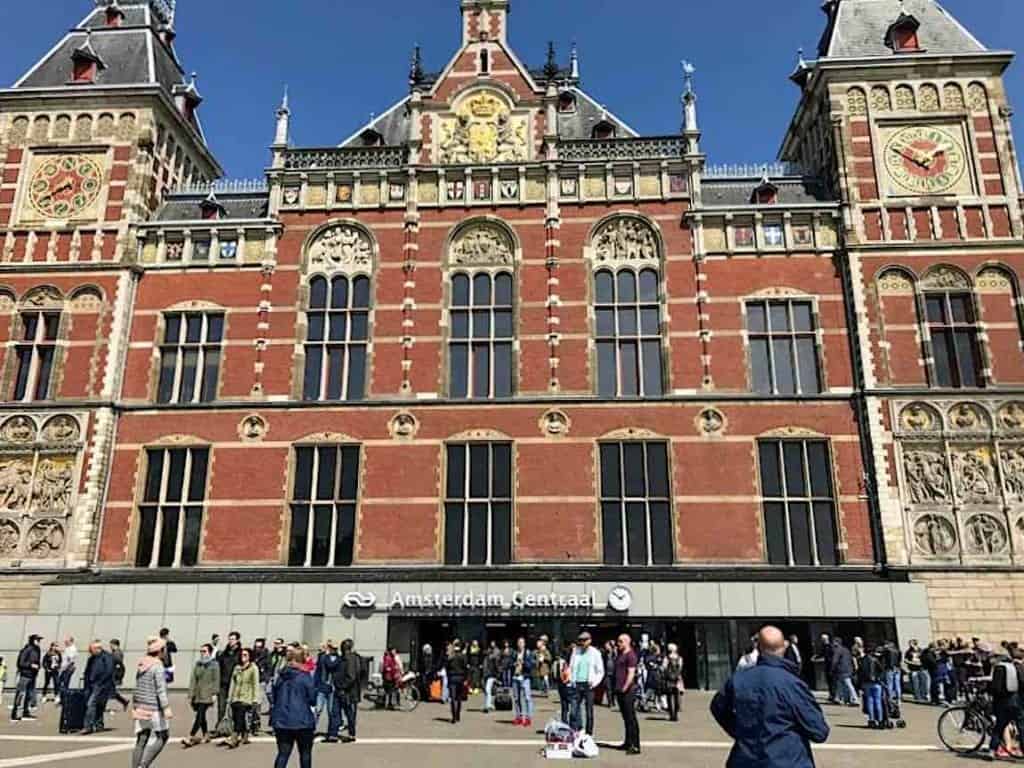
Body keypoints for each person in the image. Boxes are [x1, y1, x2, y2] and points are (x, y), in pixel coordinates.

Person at [711, 626, 830, 768]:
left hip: (746, 759)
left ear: (758, 648)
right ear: (783, 647)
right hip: (788, 760)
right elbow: (818, 731)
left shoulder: (738, 680)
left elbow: (717, 707)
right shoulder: (792, 684)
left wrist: (740, 731)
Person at [271, 645, 317, 768]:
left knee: (283, 754)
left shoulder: (280, 676)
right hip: (302, 720)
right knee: (305, 754)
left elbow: (274, 696)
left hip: (281, 719)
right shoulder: (305, 676)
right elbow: (312, 699)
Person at [131, 636, 173, 768]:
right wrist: (166, 707)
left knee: (142, 739)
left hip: (141, 706)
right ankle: (143, 766)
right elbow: (160, 689)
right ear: (161, 650)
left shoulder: (142, 664)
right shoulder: (157, 666)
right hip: (154, 707)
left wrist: (135, 704)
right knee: (163, 736)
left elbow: (137, 686)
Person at [985, 646, 1023, 761]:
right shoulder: (1017, 667)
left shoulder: (999, 668)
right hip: (1016, 701)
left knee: (999, 727)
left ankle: (992, 750)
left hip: (1002, 702)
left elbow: (995, 687)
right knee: (1021, 726)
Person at [182, 644, 220, 748]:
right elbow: (193, 680)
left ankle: (191, 735)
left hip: (207, 694)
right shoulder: (198, 664)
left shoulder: (214, 664)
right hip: (198, 694)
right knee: (201, 716)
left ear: (210, 652)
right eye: (201, 651)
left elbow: (216, 680)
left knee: (199, 715)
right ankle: (206, 734)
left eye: (204, 651)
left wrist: (215, 694)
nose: (202, 653)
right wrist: (191, 694)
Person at [222, 647, 259, 749]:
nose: (243, 657)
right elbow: (233, 683)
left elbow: (255, 684)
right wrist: (229, 697)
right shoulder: (237, 668)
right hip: (235, 697)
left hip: (246, 697)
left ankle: (234, 738)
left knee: (239, 716)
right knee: (237, 717)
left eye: (245, 655)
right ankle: (245, 735)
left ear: (250, 657)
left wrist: (255, 698)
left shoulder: (253, 668)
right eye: (242, 655)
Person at [568, 631, 604, 735]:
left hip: (588, 684)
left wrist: (594, 682)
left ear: (590, 641)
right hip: (577, 683)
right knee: (573, 711)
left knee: (589, 711)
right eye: (580, 640)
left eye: (584, 640)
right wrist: (571, 679)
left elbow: (600, 671)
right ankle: (575, 731)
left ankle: (589, 734)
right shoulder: (576, 651)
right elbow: (571, 667)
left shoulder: (595, 653)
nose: (582, 643)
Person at [614, 634, 640, 755]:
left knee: (631, 718)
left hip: (628, 690)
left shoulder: (631, 655)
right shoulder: (620, 654)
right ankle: (628, 742)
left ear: (627, 642)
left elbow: (631, 673)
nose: (618, 643)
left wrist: (625, 687)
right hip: (620, 690)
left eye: (620, 642)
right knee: (625, 718)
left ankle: (635, 745)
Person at [82, 640, 114, 734]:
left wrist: (100, 682)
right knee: (99, 705)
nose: (90, 652)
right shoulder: (92, 658)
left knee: (91, 704)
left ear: (97, 648)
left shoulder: (107, 657)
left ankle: (88, 726)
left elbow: (109, 671)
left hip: (101, 685)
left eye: (91, 650)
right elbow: (87, 671)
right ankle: (99, 725)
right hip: (92, 684)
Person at [333, 638, 361, 742]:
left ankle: (351, 734)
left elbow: (351, 676)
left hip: (348, 691)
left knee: (349, 713)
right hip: (343, 690)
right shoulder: (343, 658)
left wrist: (342, 687)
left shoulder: (351, 659)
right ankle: (333, 734)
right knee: (336, 712)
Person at [10, 633, 41, 722]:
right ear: (33, 640)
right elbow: (20, 663)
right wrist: (31, 665)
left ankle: (26, 712)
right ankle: (14, 713)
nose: (39, 642)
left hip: (33, 675)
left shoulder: (37, 649)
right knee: (20, 694)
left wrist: (38, 666)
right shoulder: (27, 649)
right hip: (25, 675)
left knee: (29, 695)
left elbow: (37, 661)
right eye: (37, 640)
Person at [314, 641, 341, 737]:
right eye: (331, 647)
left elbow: (334, 668)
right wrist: (315, 684)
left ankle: (332, 732)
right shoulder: (322, 658)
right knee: (318, 709)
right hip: (322, 686)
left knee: (331, 711)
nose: (333, 649)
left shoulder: (339, 659)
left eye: (335, 648)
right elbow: (318, 671)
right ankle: (311, 730)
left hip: (332, 688)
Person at [216, 631, 242, 727]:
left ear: (237, 640)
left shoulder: (241, 653)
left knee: (234, 707)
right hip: (223, 683)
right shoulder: (224, 653)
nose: (231, 641)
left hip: (235, 684)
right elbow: (218, 666)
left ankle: (234, 728)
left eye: (233, 639)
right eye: (230, 639)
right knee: (221, 706)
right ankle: (220, 727)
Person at [858, 646, 885, 728]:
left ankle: (871, 720)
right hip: (876, 682)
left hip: (866, 683)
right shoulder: (875, 660)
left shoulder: (861, 660)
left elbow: (859, 673)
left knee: (870, 701)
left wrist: (860, 685)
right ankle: (880, 720)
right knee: (878, 701)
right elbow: (881, 670)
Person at [511, 636, 535, 727]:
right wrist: (514, 664)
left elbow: (531, 665)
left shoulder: (528, 653)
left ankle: (528, 718)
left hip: (525, 678)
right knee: (516, 698)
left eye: (522, 642)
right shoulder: (514, 653)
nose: (520, 644)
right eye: (519, 642)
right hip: (515, 677)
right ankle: (519, 717)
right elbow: (509, 663)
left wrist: (523, 662)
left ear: (524, 644)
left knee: (527, 698)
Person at [830, 638, 858, 706]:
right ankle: (838, 698)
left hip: (841, 670)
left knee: (847, 684)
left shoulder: (837, 650)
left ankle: (854, 699)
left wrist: (832, 669)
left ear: (837, 643)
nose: (832, 644)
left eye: (834, 642)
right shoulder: (846, 649)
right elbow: (851, 659)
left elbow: (834, 660)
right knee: (840, 684)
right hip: (848, 669)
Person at [445, 640, 468, 724]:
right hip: (461, 678)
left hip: (452, 678)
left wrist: (448, 678)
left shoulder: (451, 657)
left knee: (452, 698)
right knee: (459, 698)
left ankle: (454, 717)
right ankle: (458, 715)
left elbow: (447, 668)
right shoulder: (463, 656)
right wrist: (465, 679)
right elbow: (466, 668)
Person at [662, 643, 685, 722]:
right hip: (677, 679)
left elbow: (664, 668)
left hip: (669, 680)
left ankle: (671, 714)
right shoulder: (679, 658)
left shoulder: (667, 658)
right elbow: (680, 668)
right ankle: (675, 715)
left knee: (669, 697)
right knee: (676, 697)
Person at [109, 639, 130, 711]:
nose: (110, 646)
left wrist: (117, 676)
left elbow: (118, 664)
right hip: (114, 674)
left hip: (114, 674)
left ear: (114, 644)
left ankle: (124, 701)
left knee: (109, 690)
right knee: (111, 691)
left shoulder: (117, 653)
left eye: (111, 645)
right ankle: (124, 701)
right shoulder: (116, 652)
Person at [380, 647, 402, 711]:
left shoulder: (392, 658)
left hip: (392, 676)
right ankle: (388, 704)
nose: (395, 652)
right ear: (390, 651)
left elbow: (394, 665)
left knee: (390, 691)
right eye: (393, 650)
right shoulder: (388, 658)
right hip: (388, 677)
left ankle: (389, 704)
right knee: (389, 691)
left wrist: (396, 669)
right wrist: (393, 669)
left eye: (395, 650)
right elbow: (387, 667)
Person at [483, 642, 501, 713]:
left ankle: (487, 706)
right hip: (487, 674)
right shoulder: (486, 658)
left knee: (487, 689)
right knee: (488, 690)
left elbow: (496, 666)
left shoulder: (494, 658)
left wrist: (497, 674)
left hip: (491, 674)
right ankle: (489, 704)